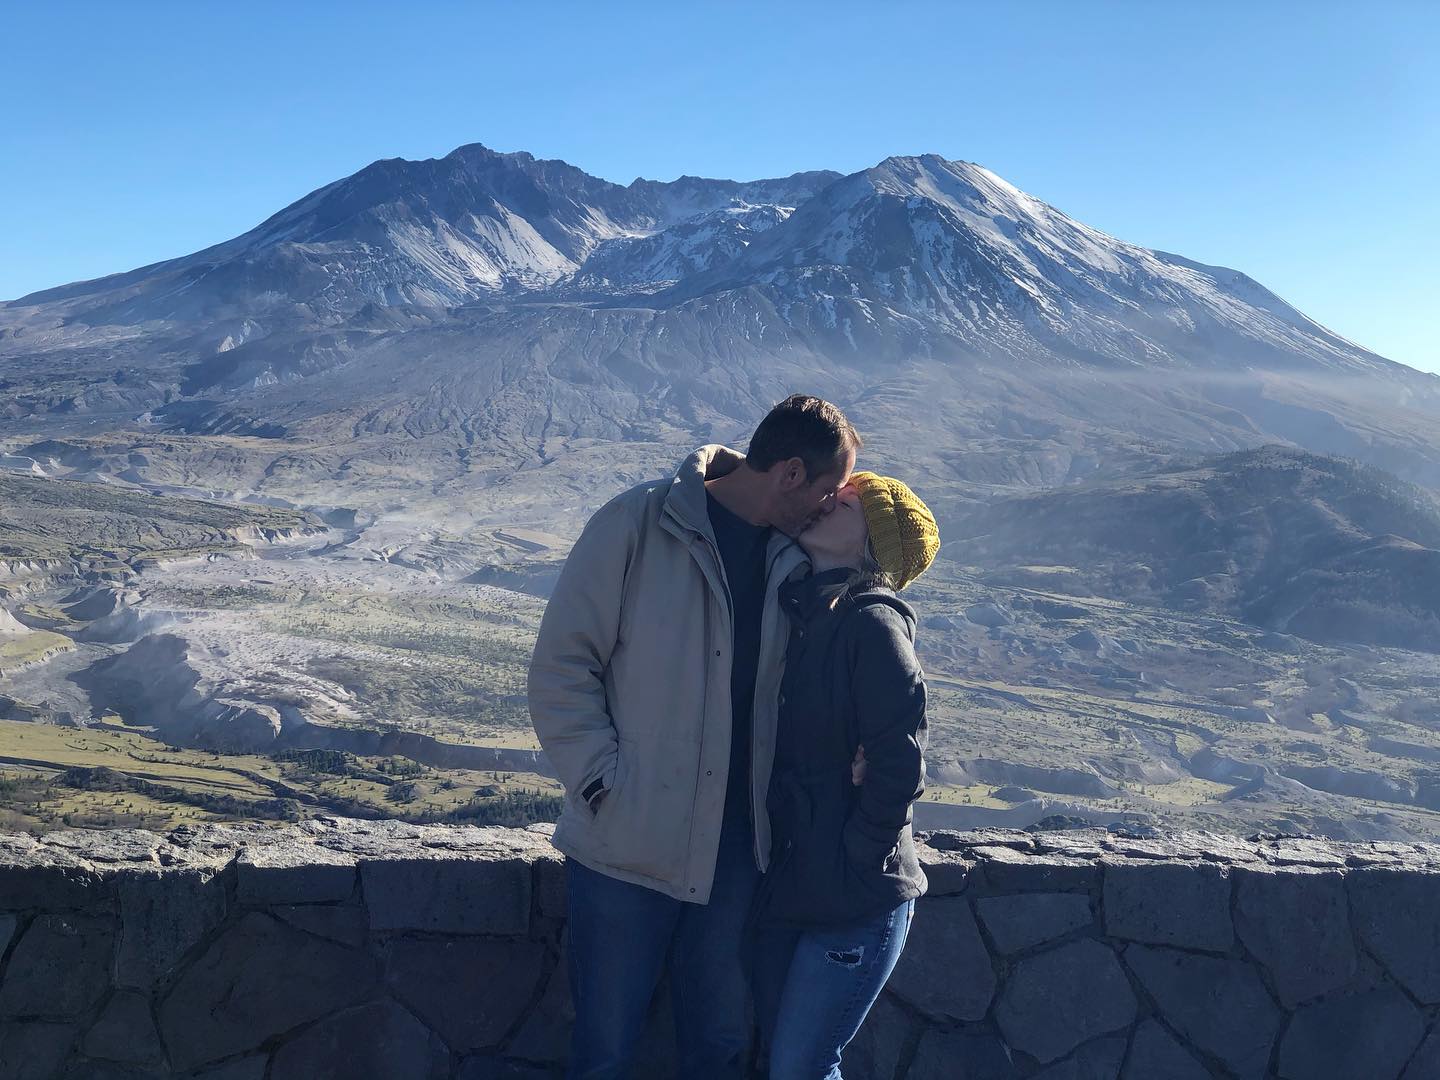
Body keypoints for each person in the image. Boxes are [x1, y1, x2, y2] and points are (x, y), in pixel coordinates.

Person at [528, 394, 862, 1080]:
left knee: (717, 1050)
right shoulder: (640, 523)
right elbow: (562, 666)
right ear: (790, 474)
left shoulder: (793, 562)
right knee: (604, 1054)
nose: (827, 508)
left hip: (736, 860)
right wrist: (602, 784)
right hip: (625, 848)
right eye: (827, 490)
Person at [748, 471, 940, 1080]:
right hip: (804, 884)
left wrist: (857, 858)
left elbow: (899, 763)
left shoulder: (872, 625)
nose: (830, 499)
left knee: (801, 1067)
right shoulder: (815, 614)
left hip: (856, 898)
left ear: (873, 540)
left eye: (850, 500)